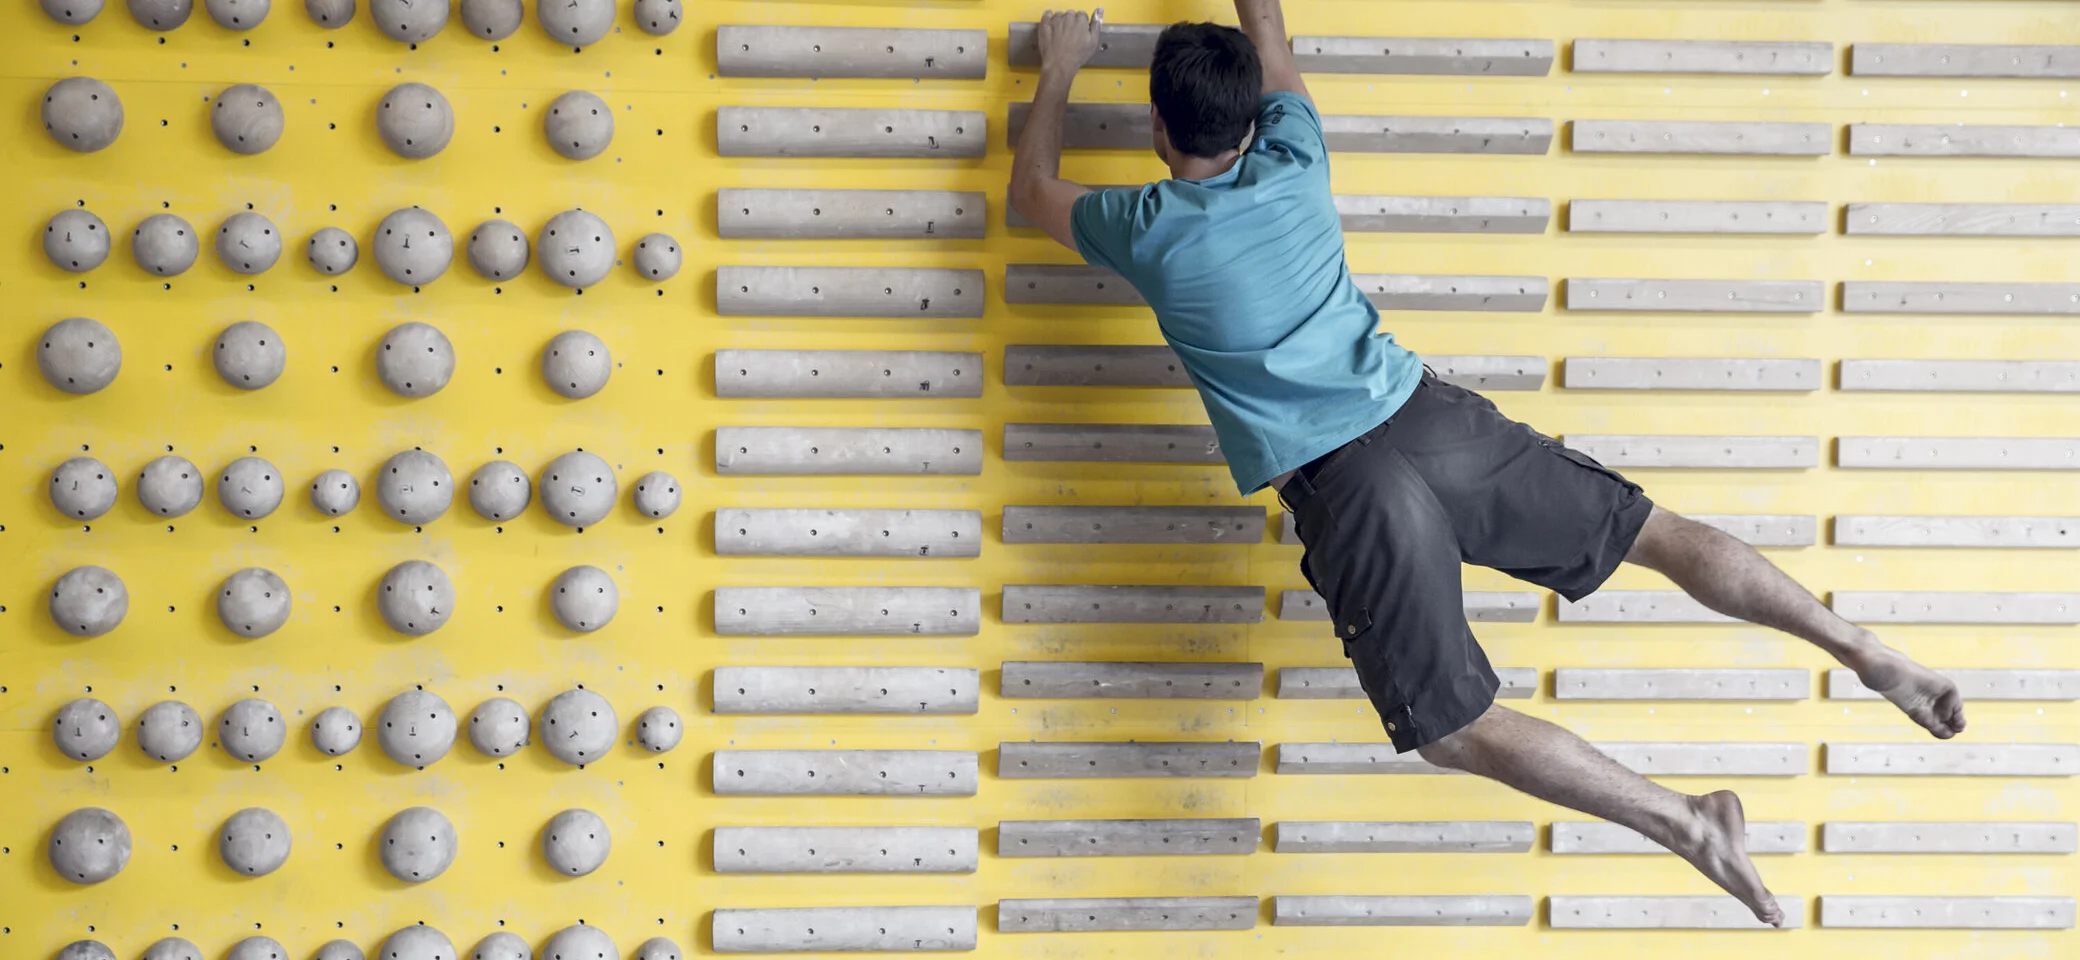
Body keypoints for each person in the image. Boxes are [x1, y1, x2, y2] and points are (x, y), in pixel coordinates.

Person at [1009, 2, 1968, 927]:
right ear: (1258, 116)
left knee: (1454, 726)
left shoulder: (1147, 228)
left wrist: (1060, 63)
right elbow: (1268, 28)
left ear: (1154, 128)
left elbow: (1030, 194)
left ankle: (1685, 820)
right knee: (1655, 535)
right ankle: (1863, 649)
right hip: (1429, 419)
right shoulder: (1298, 157)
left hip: (1350, 488)